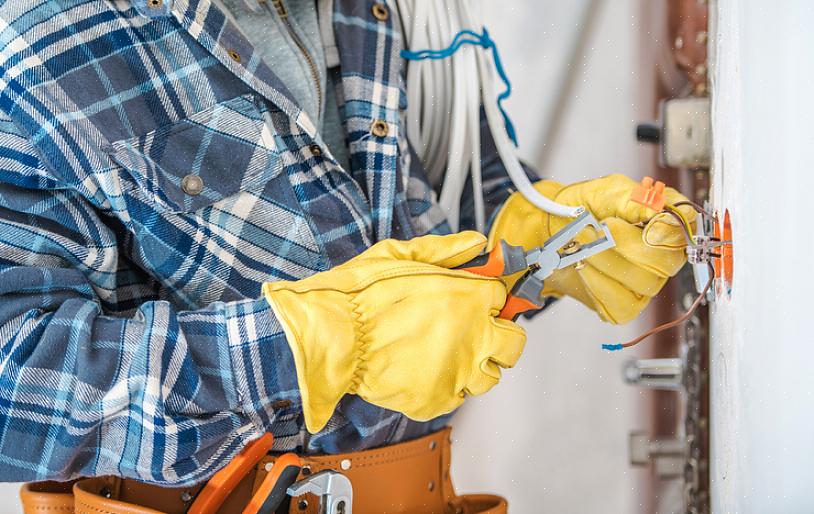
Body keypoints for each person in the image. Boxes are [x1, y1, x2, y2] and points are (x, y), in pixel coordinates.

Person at [0, 1, 691, 512]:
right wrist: (313, 347)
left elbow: (444, 196)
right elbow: (12, 387)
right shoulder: (34, 40)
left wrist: (537, 240)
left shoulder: (391, 11)